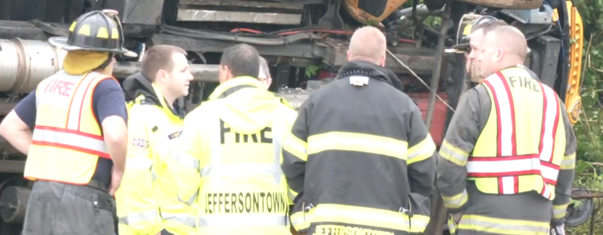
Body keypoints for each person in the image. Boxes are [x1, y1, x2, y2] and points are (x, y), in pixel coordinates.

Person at [281, 26, 436, 235]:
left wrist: (304, 212)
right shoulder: (405, 107)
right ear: (382, 60)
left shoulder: (316, 103)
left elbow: (292, 164)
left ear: (348, 56)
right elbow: (426, 171)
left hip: (324, 228)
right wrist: (410, 220)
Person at [0, 10, 131, 235]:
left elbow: (9, 128)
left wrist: (46, 156)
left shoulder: (48, 84)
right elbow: (116, 135)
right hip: (84, 199)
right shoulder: (105, 86)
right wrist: (119, 169)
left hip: (42, 195)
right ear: (108, 57)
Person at [437, 21, 577, 235]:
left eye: (475, 49)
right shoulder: (554, 102)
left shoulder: (481, 97)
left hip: (481, 223)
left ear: (498, 54)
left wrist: (458, 210)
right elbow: (566, 170)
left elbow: (449, 164)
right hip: (536, 225)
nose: (470, 56)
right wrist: (556, 217)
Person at [168, 43, 297, 235]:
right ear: (255, 74)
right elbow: (299, 185)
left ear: (226, 71)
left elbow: (181, 186)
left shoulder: (200, 119)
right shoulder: (287, 118)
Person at [116, 45, 195, 235]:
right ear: (163, 76)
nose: (190, 76)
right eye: (183, 71)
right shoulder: (143, 117)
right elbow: (134, 178)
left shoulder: (171, 117)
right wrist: (148, 231)